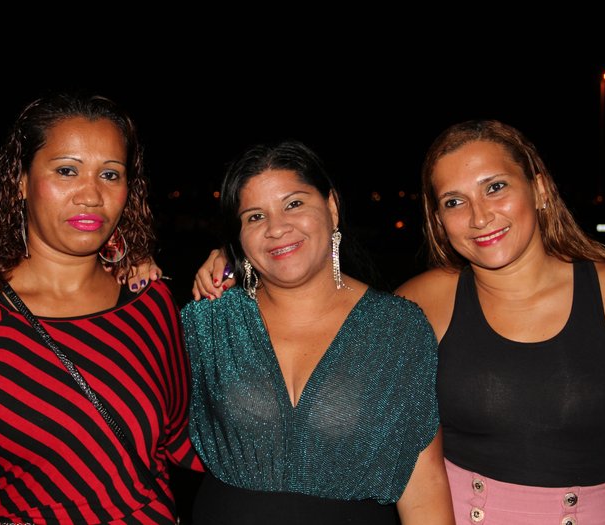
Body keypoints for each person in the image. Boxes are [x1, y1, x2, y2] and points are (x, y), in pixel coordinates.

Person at [190, 120, 605, 524]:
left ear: (538, 189)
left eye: (495, 187)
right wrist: (230, 260)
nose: (479, 216)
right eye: (454, 202)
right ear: (438, 219)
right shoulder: (424, 303)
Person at [0, 91, 201, 525]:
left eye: (110, 174)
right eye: (67, 170)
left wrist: (243, 282)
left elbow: (187, 443)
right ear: (21, 181)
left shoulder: (150, 301)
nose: (91, 194)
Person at [180, 140, 454, 524]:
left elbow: (424, 489)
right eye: (255, 217)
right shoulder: (209, 321)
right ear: (238, 235)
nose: (277, 228)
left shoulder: (397, 330)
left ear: (332, 207)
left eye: (294, 204)